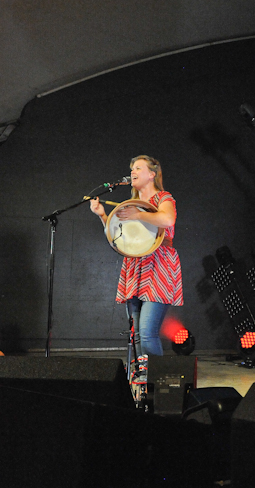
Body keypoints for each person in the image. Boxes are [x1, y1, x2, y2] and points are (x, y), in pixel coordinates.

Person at [90, 155, 183, 384]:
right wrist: (103, 215)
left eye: (138, 168)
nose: (132, 171)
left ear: (152, 174)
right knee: (138, 334)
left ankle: (158, 383)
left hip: (158, 266)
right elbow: (117, 238)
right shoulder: (129, 204)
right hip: (135, 266)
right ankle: (144, 379)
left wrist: (137, 215)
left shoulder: (163, 197)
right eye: (132, 168)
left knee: (148, 331)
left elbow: (167, 219)